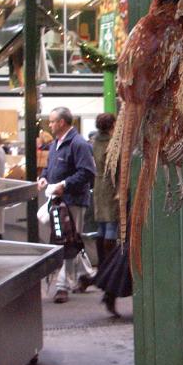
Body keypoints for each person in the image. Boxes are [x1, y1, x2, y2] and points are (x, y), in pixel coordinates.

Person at [38, 107, 96, 304]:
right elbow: (49, 168)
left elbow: (87, 172)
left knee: (66, 242)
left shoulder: (78, 144)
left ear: (62, 122)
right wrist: (44, 178)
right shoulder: (56, 144)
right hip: (59, 200)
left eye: (53, 121)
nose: (50, 125)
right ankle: (86, 272)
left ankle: (62, 286)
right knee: (70, 239)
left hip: (73, 200)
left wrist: (64, 185)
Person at [87, 113, 132, 315]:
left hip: (104, 192)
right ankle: (107, 284)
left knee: (108, 234)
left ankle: (105, 282)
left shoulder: (96, 143)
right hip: (117, 195)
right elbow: (118, 169)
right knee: (118, 241)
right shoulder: (114, 145)